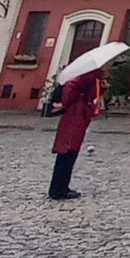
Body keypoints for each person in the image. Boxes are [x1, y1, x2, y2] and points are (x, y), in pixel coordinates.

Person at [47, 65, 102, 200]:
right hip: (75, 117)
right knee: (67, 153)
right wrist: (66, 102)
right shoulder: (88, 75)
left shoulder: (94, 76)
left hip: (78, 117)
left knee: (69, 155)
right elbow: (72, 86)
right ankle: (58, 190)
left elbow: (90, 94)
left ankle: (61, 187)